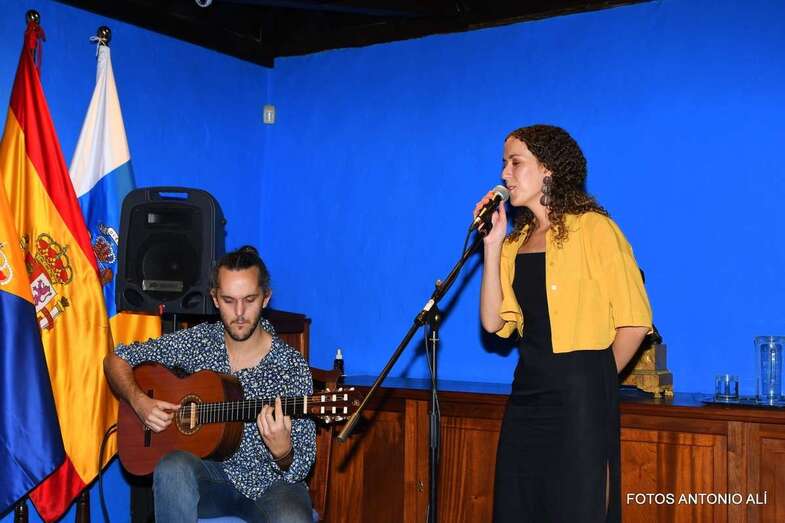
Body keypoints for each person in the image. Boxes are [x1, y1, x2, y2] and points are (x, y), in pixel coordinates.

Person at [476, 125, 652, 523]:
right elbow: (492, 322)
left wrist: (597, 380)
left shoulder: (595, 230)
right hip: (527, 395)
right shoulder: (515, 242)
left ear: (548, 170)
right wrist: (492, 245)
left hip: (581, 395)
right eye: (504, 163)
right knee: (519, 506)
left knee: (577, 507)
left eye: (516, 162)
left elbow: (635, 323)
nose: (505, 173)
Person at [104, 245, 315, 522]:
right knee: (172, 466)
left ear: (265, 298)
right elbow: (115, 359)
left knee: (293, 519)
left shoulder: (290, 366)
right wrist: (139, 401)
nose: (239, 312)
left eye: (249, 299)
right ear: (215, 299)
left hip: (271, 484)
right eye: (228, 300)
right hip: (209, 480)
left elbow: (302, 463)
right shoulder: (199, 341)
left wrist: (284, 453)